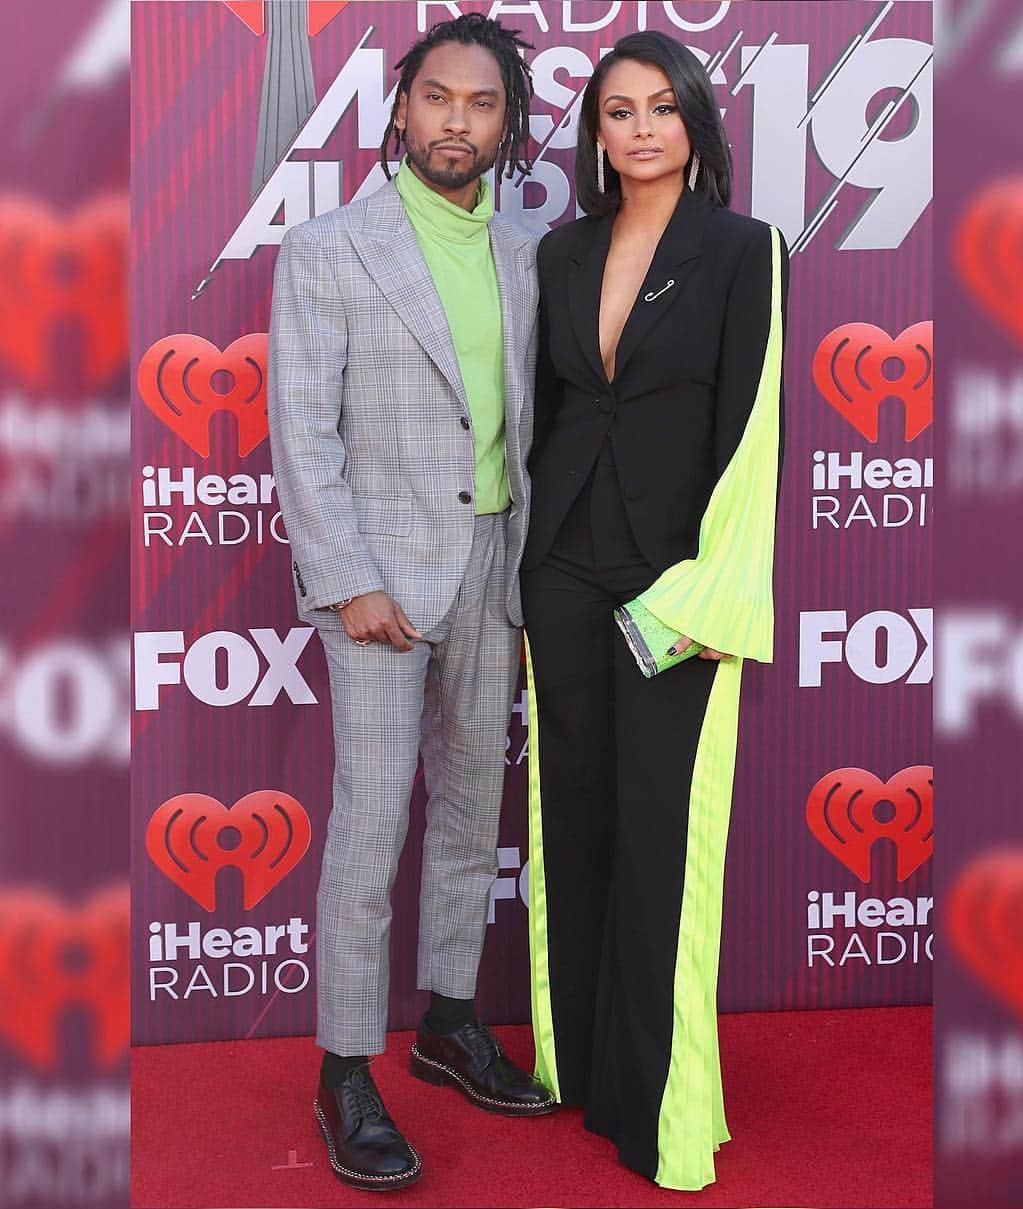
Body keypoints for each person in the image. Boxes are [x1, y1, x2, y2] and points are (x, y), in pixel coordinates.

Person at [268, 14, 554, 1193]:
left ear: (506, 123)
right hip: (380, 577)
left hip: (500, 565)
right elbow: (302, 431)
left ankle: (446, 1019)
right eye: (436, 98)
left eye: (480, 105)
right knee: (372, 821)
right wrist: (348, 579)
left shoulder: (534, 251)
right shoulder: (331, 248)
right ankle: (344, 1068)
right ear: (400, 110)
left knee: (472, 809)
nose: (455, 122)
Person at [521, 31, 789, 1192]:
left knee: (660, 841)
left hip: (677, 578)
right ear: (596, 133)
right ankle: (577, 1065)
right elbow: (548, 413)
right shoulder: (562, 253)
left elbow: (757, 428)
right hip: (564, 567)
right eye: (617, 111)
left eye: (660, 107)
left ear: (695, 122)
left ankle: (659, 1108)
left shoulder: (744, 251)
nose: (639, 128)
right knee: (572, 818)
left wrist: (709, 590)